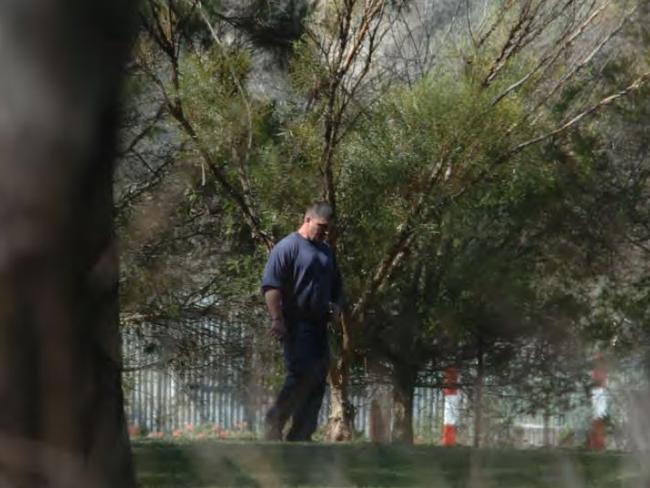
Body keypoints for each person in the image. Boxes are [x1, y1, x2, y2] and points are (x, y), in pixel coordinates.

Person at [261, 202, 343, 441]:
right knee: (300, 373)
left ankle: (302, 434)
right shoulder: (287, 247)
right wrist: (277, 319)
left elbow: (338, 287)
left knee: (318, 378)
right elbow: (271, 286)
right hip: (296, 323)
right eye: (321, 226)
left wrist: (337, 307)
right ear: (307, 219)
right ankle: (274, 422)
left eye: (328, 229)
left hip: (319, 325)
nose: (324, 232)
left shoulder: (327, 251)